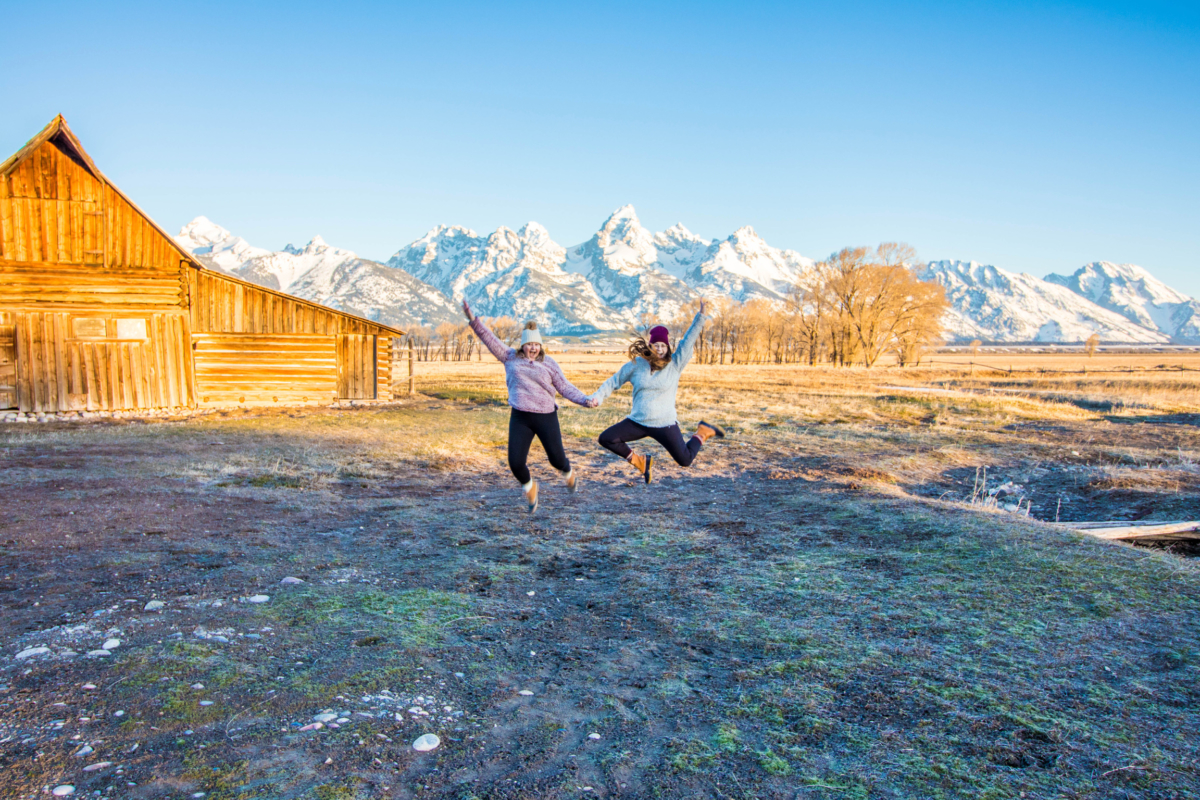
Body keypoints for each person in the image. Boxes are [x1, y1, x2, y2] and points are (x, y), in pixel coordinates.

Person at [463, 299, 598, 512]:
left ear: (540, 346)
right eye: (529, 344)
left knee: (556, 459)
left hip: (546, 416)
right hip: (520, 417)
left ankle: (569, 472)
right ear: (523, 345)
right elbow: (489, 338)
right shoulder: (509, 357)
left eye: (536, 344)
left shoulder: (549, 364)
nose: (533, 348)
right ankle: (530, 487)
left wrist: (585, 399)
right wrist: (473, 320)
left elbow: (565, 387)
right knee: (515, 462)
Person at [590, 300, 724, 483]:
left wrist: (701, 314)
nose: (660, 349)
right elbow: (614, 381)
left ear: (668, 347)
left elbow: (688, 340)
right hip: (638, 421)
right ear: (650, 346)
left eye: (663, 345)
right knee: (606, 438)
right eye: (656, 345)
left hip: (665, 423)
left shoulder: (675, 364)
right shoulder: (637, 365)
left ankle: (702, 432)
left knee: (685, 460)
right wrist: (597, 397)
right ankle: (640, 462)